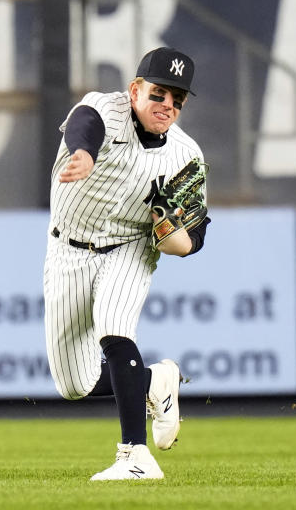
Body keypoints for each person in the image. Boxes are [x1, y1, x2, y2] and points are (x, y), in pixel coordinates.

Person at [43, 46, 211, 481]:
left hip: (129, 247)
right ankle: (154, 382)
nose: (167, 106)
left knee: (115, 331)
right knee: (73, 384)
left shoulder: (186, 155)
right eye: (158, 94)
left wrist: (175, 238)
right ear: (135, 89)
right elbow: (84, 124)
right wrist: (83, 153)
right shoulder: (105, 108)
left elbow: (194, 238)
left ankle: (135, 454)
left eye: (177, 99)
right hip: (67, 248)